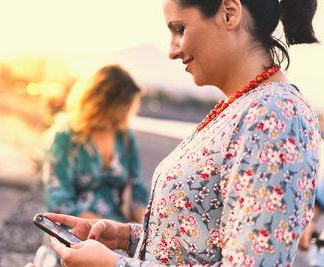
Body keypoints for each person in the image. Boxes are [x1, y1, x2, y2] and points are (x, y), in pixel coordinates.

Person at [27, 0, 321, 266]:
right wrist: (129, 238)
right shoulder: (240, 107)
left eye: (180, 29)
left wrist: (113, 265)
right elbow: (204, 240)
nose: (172, 50)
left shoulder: (275, 114)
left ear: (229, 13)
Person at [34, 64, 148, 266]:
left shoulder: (125, 137)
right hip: (74, 234)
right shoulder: (66, 136)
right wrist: (99, 230)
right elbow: (58, 199)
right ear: (104, 103)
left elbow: (138, 192)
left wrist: (147, 231)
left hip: (114, 233)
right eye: (123, 106)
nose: (126, 114)